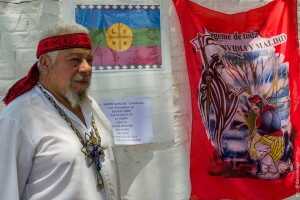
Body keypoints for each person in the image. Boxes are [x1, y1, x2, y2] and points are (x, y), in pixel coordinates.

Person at [0, 22, 119, 200]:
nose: (86, 68)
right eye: (75, 60)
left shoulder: (91, 106)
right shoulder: (19, 117)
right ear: (45, 63)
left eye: (89, 60)